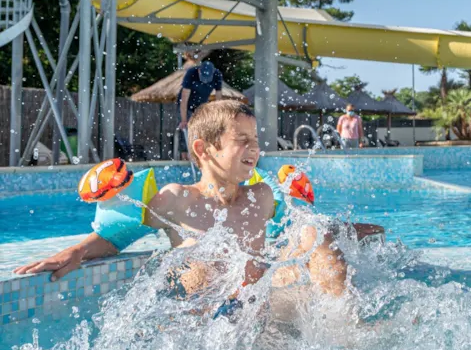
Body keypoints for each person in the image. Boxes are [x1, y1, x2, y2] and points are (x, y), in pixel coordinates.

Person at [14, 100, 381, 300]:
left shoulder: (262, 196)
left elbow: (296, 234)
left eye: (255, 139)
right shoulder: (176, 200)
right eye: (242, 140)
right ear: (204, 149)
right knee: (206, 264)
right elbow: (120, 231)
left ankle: (346, 333)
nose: (255, 148)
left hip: (266, 304)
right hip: (211, 314)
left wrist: (339, 233)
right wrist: (77, 251)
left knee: (317, 235)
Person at [178, 59, 223, 160]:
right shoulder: (191, 73)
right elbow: (184, 100)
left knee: (202, 127)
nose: (206, 80)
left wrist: (219, 116)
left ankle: (200, 153)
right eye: (204, 77)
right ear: (199, 71)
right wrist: (184, 120)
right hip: (187, 104)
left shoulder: (217, 75)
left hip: (202, 104)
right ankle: (185, 155)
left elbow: (219, 99)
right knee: (186, 129)